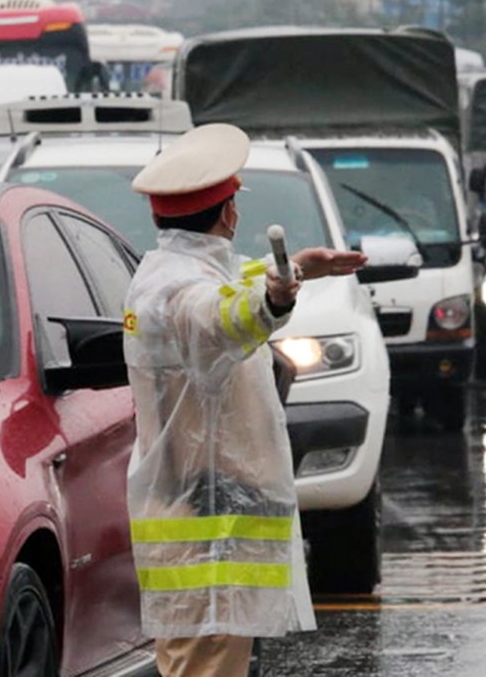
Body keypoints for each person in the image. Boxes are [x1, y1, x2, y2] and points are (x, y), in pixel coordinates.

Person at [123, 123, 368, 677]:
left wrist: (296, 268)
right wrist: (273, 303)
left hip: (192, 517)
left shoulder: (165, 273)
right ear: (228, 212)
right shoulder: (183, 293)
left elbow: (228, 284)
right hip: (207, 532)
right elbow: (223, 313)